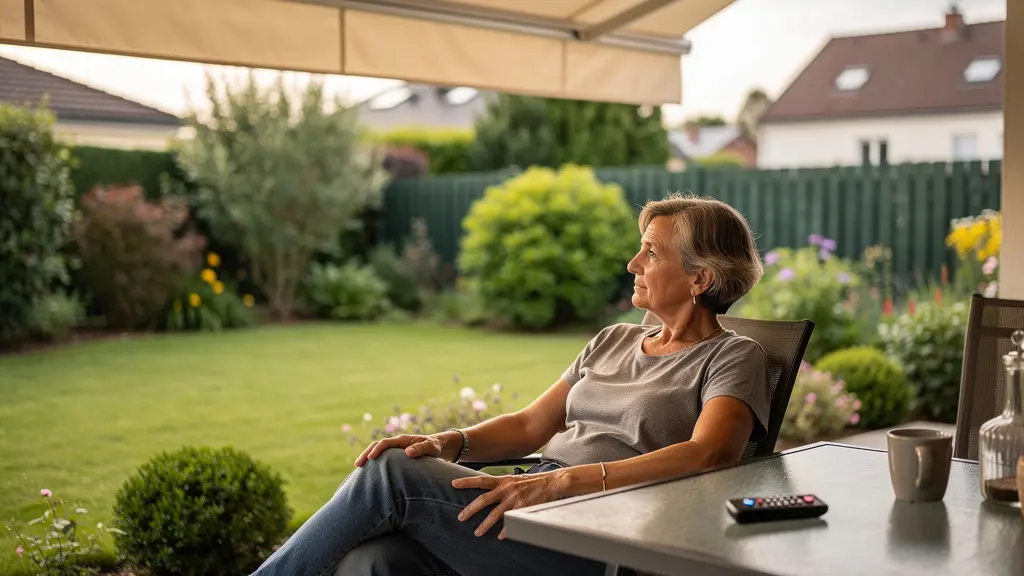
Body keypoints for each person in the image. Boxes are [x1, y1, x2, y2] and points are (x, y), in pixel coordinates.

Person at [251, 194, 770, 576]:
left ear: (701, 278)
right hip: (528, 506)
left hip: (597, 535)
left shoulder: (732, 355)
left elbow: (708, 456)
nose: (633, 264)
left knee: (390, 471)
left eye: (652, 253)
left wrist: (564, 481)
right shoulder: (612, 340)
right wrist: (449, 442)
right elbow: (528, 425)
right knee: (373, 562)